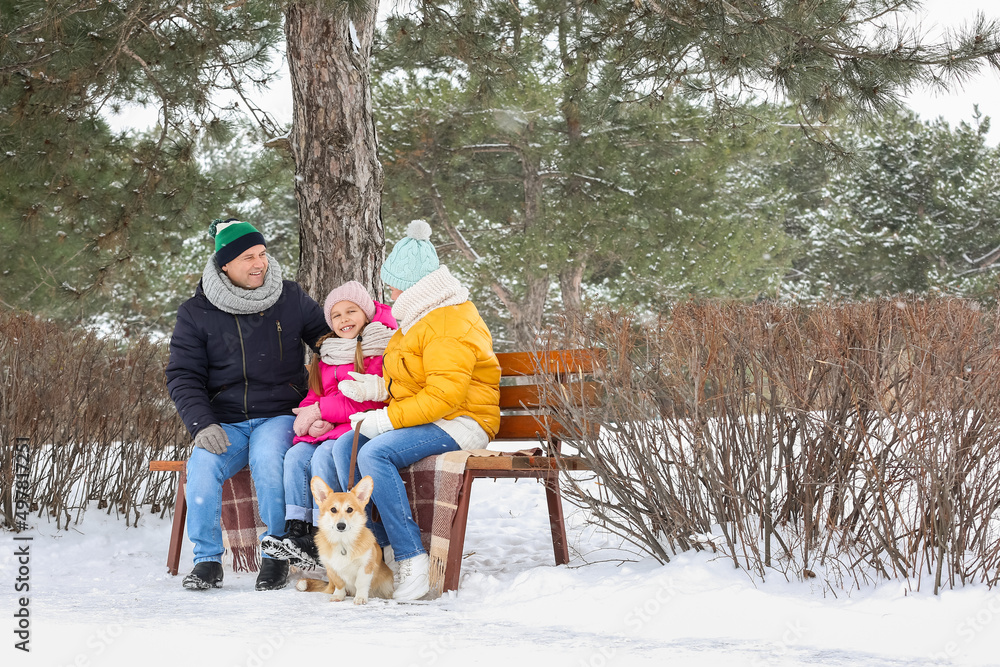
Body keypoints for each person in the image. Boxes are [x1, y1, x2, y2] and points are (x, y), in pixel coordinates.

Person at [330, 219, 501, 601]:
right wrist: (379, 387)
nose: (388, 290)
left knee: (375, 450)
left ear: (412, 285)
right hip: (438, 415)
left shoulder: (446, 322)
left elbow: (444, 396)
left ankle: (412, 558)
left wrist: (384, 417)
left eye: (392, 282)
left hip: (464, 421)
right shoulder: (421, 316)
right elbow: (418, 379)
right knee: (347, 446)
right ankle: (384, 548)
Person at [165, 218, 329, 591]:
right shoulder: (195, 312)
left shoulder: (289, 296)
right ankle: (207, 561)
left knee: (270, 461)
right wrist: (201, 424)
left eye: (262, 254)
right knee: (202, 467)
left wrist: (348, 345)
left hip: (279, 413)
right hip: (224, 421)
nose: (259, 264)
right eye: (247, 258)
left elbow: (326, 336)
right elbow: (183, 375)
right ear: (224, 264)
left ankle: (275, 555)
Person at [260, 281, 397, 568]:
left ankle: (324, 528)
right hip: (329, 428)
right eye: (336, 315)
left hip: (357, 427)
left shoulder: (379, 346)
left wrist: (322, 412)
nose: (344, 319)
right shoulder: (329, 351)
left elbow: (367, 402)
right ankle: (298, 527)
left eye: (351, 311)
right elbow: (315, 395)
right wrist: (311, 419)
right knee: (295, 456)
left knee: (323, 455)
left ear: (367, 312)